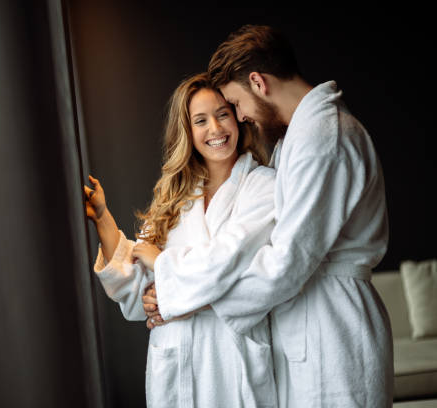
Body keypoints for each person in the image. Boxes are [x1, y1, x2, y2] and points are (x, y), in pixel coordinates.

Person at [142, 25, 393, 407]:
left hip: (334, 326)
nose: (240, 117)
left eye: (234, 104)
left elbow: (287, 261)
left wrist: (193, 298)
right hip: (308, 322)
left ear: (257, 82)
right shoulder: (299, 138)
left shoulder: (323, 137)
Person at [84, 73, 278, 407]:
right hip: (178, 360)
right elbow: (136, 290)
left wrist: (164, 274)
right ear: (187, 132)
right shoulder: (175, 197)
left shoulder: (263, 186)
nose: (215, 130)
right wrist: (103, 217)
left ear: (237, 117)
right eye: (200, 121)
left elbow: (229, 264)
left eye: (222, 114)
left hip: (231, 360)